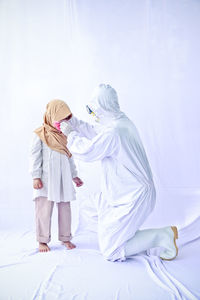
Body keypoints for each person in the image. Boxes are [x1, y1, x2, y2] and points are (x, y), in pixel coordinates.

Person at [59, 84, 178, 262]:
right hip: (122, 192)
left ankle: (163, 236)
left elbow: (88, 151)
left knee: (111, 251)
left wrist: (70, 135)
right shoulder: (119, 121)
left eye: (94, 110)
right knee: (99, 219)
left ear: (104, 107)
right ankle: (124, 235)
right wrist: (73, 122)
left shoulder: (115, 132)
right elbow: (96, 132)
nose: (93, 115)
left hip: (135, 196)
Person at [29, 99, 83, 252]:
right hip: (45, 180)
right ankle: (42, 240)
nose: (62, 121)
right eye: (59, 118)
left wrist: (74, 176)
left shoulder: (66, 136)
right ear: (50, 115)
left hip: (63, 180)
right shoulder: (40, 134)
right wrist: (35, 176)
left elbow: (70, 156)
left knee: (65, 208)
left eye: (65, 118)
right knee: (43, 210)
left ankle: (65, 237)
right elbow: (35, 157)